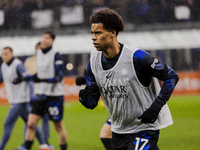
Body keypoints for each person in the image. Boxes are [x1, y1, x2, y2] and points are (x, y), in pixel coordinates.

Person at [79, 8, 179, 150]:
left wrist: (155, 108)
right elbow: (92, 102)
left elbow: (171, 76)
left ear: (113, 32)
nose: (93, 37)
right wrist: (84, 98)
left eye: (98, 33)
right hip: (119, 130)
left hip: (144, 127)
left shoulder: (137, 57)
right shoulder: (93, 62)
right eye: (92, 33)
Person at [22, 31, 68, 150]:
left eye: (47, 38)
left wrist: (41, 79)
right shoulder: (39, 54)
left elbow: (58, 77)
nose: (44, 40)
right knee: (31, 123)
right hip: (41, 95)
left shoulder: (56, 55)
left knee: (58, 126)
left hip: (54, 96)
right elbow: (40, 73)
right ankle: (27, 148)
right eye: (43, 37)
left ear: (52, 41)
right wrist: (26, 77)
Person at [0, 47, 47, 150]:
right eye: (3, 54)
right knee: (30, 123)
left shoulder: (18, 65)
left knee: (7, 123)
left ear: (12, 54)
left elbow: (29, 79)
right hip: (15, 100)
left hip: (20, 100)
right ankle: (43, 144)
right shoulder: (3, 66)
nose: (4, 56)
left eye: (6, 54)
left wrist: (30, 96)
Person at [23, 42, 54, 150]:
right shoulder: (28, 61)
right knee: (29, 119)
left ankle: (45, 141)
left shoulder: (48, 61)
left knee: (45, 118)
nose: (39, 50)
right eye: (38, 48)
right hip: (31, 94)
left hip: (44, 93)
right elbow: (25, 77)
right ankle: (26, 142)